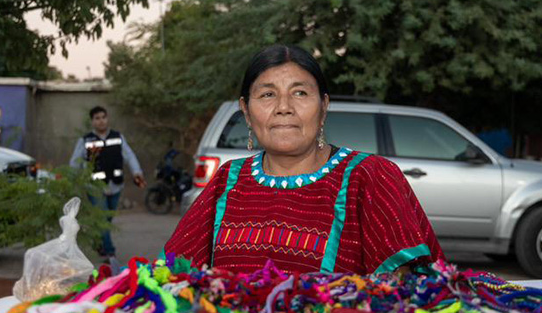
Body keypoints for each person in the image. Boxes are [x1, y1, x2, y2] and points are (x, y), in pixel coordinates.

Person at [161, 45, 444, 275]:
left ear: (324, 107)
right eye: (268, 94)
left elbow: (408, 289)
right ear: (246, 111)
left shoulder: (368, 176)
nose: (284, 108)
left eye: (300, 93)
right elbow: (172, 272)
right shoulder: (229, 179)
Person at [70, 106, 146, 258]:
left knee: (107, 218)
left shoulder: (118, 137)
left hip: (116, 185)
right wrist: (71, 179)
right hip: (94, 187)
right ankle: (109, 252)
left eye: (103, 117)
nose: (101, 121)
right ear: (92, 121)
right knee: (103, 218)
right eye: (97, 118)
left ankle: (98, 242)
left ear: (107, 118)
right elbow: (75, 162)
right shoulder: (85, 140)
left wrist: (137, 172)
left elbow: (129, 156)